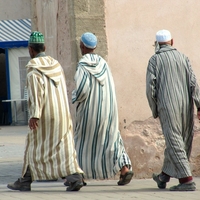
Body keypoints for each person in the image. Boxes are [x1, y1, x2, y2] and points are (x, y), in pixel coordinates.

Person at [7, 31, 84, 192]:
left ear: (30, 50)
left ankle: (25, 180)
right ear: (45, 47)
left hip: (45, 115)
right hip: (62, 114)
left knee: (34, 146)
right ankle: (75, 177)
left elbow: (36, 95)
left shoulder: (33, 71)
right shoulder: (57, 65)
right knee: (64, 147)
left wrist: (34, 115)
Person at [65, 32, 133, 186]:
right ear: (94, 47)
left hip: (90, 111)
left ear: (82, 46)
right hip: (108, 111)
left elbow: (82, 89)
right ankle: (124, 170)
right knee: (113, 140)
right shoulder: (104, 63)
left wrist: (74, 95)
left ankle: (78, 176)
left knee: (81, 142)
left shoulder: (83, 65)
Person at [146, 29, 200, 191]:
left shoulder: (154, 60)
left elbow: (150, 89)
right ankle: (164, 176)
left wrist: (154, 109)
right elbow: (194, 83)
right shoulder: (184, 58)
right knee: (180, 139)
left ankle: (187, 181)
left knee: (174, 141)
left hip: (168, 107)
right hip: (186, 105)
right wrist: (199, 105)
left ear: (156, 44)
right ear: (172, 41)